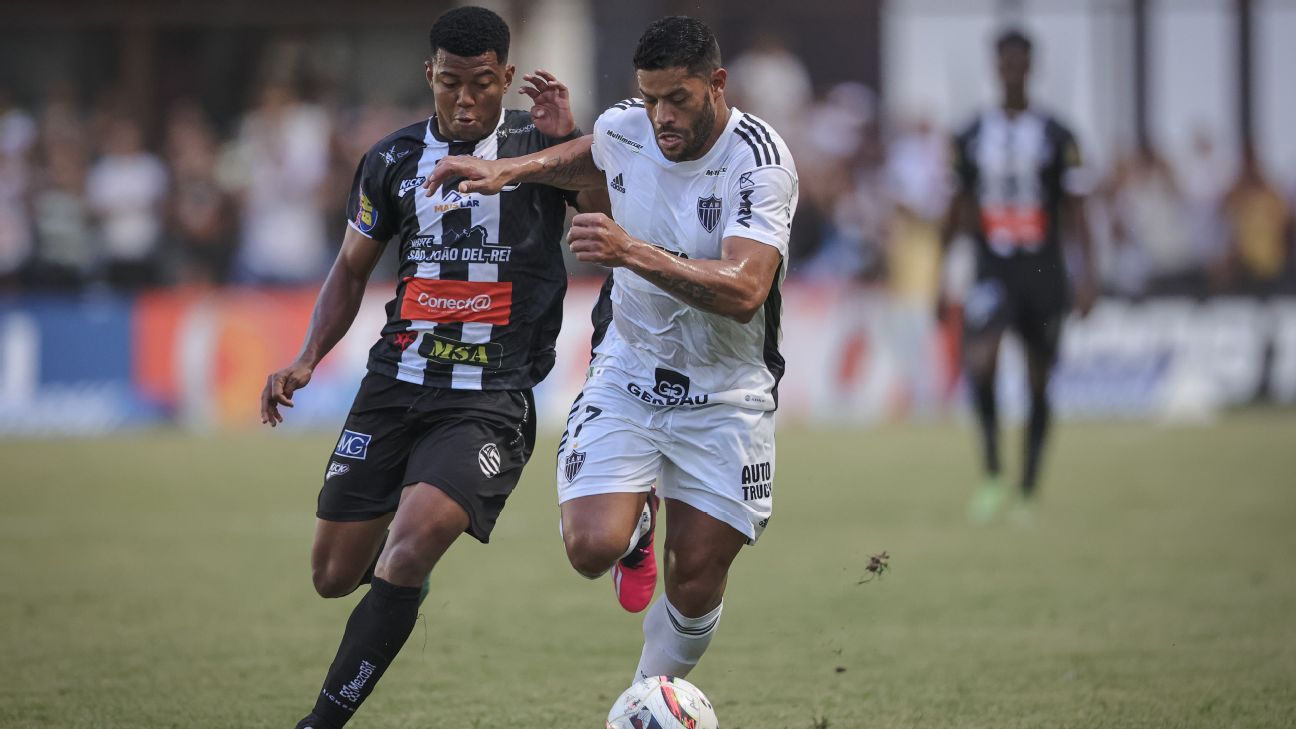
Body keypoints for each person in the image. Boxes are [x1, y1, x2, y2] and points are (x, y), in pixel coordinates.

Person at [426, 15, 797, 684]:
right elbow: (594, 150)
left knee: (694, 578)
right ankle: (635, 524)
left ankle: (642, 703)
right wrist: (509, 167)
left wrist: (630, 251)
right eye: (649, 97)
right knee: (592, 547)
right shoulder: (632, 123)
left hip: (726, 392)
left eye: (676, 98)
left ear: (718, 84)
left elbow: (746, 289)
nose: (660, 116)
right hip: (629, 370)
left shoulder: (758, 161)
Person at [258, 8, 590, 728]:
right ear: (428, 77)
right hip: (395, 384)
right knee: (332, 575)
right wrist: (308, 356)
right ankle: (403, 570)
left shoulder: (542, 149)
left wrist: (566, 138)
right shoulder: (391, 159)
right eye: (449, 84)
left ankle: (319, 721)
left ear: (506, 76)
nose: (465, 100)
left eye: (480, 84)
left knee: (406, 551)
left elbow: (602, 211)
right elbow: (350, 270)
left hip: (489, 398)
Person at [940, 28, 1097, 523]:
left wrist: (1087, 274)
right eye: (1004, 63)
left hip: (1044, 269)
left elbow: (1076, 211)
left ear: (1030, 67)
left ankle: (1028, 488)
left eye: (1019, 64)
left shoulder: (1059, 135)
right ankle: (991, 474)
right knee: (981, 364)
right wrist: (940, 278)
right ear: (996, 67)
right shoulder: (969, 135)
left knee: (1037, 380)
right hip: (992, 267)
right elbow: (956, 208)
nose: (1012, 72)